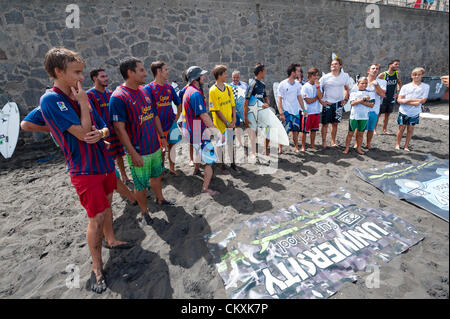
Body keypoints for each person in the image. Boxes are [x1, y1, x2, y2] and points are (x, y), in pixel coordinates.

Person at [40, 47, 131, 294]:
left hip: (103, 162)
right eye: (76, 72)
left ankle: (111, 240)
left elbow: (101, 130)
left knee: (109, 204)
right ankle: (96, 268)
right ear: (58, 72)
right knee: (96, 216)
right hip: (84, 169)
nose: (82, 78)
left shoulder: (79, 95)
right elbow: (83, 133)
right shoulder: (52, 99)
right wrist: (83, 106)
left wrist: (97, 131)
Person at [109, 57, 172, 226]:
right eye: (142, 70)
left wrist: (162, 137)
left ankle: (160, 199)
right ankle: (145, 212)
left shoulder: (144, 91)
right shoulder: (118, 97)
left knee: (157, 176)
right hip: (139, 152)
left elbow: (154, 115)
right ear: (130, 73)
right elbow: (119, 129)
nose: (145, 73)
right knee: (141, 185)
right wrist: (133, 153)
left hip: (155, 146)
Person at [182, 66, 222, 195]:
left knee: (198, 150)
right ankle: (205, 188)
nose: (204, 77)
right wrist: (216, 132)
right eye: (202, 75)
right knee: (210, 161)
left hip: (189, 128)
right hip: (197, 130)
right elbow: (204, 116)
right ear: (195, 79)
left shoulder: (187, 90)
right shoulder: (195, 93)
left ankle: (196, 169)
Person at [87, 68, 131, 184]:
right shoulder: (89, 95)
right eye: (102, 76)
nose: (106, 78)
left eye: (106, 76)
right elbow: (90, 116)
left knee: (120, 155)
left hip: (115, 130)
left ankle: (124, 176)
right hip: (102, 133)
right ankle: (115, 181)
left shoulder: (111, 93)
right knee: (108, 158)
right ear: (95, 78)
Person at [144, 61, 182, 175]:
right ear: (159, 71)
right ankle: (160, 169)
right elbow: (148, 110)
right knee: (161, 150)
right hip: (158, 127)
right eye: (165, 70)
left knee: (173, 147)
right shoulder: (149, 88)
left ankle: (172, 168)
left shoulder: (169, 87)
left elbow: (178, 102)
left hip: (172, 124)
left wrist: (178, 115)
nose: (167, 72)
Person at [209, 65, 239, 173]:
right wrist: (226, 122)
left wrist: (234, 119)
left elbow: (233, 105)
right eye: (225, 73)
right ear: (220, 75)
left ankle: (233, 163)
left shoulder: (229, 88)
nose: (227, 75)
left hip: (230, 122)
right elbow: (216, 110)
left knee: (230, 143)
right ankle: (221, 165)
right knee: (220, 144)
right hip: (220, 124)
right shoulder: (212, 90)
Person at [395, 67, 430, 151]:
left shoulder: (425, 87)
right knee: (401, 128)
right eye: (415, 75)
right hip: (403, 111)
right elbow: (399, 100)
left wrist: (407, 100)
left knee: (410, 129)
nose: (416, 76)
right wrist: (412, 102)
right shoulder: (406, 87)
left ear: (422, 75)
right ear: (411, 76)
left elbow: (423, 100)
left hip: (415, 112)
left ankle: (406, 146)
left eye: (419, 75)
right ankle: (397, 144)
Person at [319, 58, 351, 148]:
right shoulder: (325, 77)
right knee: (325, 124)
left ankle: (333, 141)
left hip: (338, 104)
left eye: (336, 64)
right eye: (332, 64)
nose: (333, 65)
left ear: (340, 66)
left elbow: (346, 88)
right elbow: (318, 90)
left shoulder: (345, 76)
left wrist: (345, 99)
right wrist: (321, 101)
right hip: (328, 103)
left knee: (335, 123)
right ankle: (324, 141)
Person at [354, 64, 387, 149]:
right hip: (361, 108)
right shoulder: (362, 80)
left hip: (374, 109)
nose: (375, 70)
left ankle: (368, 144)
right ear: (368, 70)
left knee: (371, 128)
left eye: (377, 69)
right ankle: (356, 143)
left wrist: (376, 85)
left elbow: (382, 95)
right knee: (359, 127)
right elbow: (355, 92)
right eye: (373, 68)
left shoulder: (382, 82)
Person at [276, 63, 307, 154]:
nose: (299, 72)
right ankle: (280, 148)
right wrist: (281, 112)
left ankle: (296, 147)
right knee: (283, 131)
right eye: (298, 71)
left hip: (296, 112)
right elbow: (279, 100)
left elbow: (299, 98)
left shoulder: (298, 84)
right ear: (293, 72)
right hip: (286, 111)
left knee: (295, 131)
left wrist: (304, 109)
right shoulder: (282, 84)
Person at [243, 63, 271, 159]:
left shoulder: (262, 85)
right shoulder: (252, 84)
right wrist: (245, 117)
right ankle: (253, 152)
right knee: (253, 132)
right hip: (253, 113)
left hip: (262, 112)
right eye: (264, 71)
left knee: (268, 129)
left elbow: (265, 97)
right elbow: (246, 102)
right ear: (260, 72)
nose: (265, 73)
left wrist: (267, 103)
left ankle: (265, 149)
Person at [343, 77, 375, 155]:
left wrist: (359, 101)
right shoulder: (354, 93)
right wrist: (364, 99)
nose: (364, 85)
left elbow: (371, 105)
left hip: (364, 116)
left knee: (361, 133)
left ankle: (359, 148)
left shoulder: (371, 93)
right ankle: (347, 148)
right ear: (358, 84)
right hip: (354, 116)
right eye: (362, 83)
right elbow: (352, 103)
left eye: (366, 83)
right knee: (350, 133)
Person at [377, 59, 402, 134]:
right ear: (390, 65)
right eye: (396, 64)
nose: (397, 66)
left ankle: (384, 129)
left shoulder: (397, 74)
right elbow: (375, 84)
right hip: (382, 98)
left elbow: (399, 83)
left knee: (387, 114)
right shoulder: (383, 74)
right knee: (378, 114)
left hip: (391, 97)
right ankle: (374, 129)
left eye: (398, 64)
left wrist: (397, 92)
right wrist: (380, 92)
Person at [301, 67, 323, 151]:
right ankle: (303, 146)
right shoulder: (305, 87)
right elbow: (308, 101)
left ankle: (312, 145)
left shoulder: (318, 86)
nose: (316, 77)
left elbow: (320, 96)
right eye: (314, 75)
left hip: (316, 111)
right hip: (308, 112)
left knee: (314, 130)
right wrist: (317, 97)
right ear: (309, 76)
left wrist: (318, 88)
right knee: (305, 131)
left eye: (317, 75)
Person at [229, 70, 248, 147]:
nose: (235, 79)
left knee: (248, 124)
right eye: (234, 77)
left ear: (239, 77)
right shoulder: (229, 86)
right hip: (234, 110)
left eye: (237, 77)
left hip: (244, 108)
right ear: (232, 77)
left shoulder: (245, 85)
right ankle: (239, 142)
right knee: (237, 125)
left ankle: (252, 140)